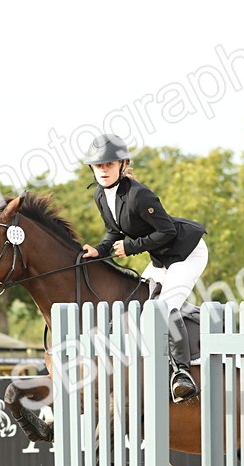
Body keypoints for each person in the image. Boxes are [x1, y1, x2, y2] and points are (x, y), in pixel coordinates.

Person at [80, 133, 208, 403]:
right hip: (162, 259)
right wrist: (99, 250)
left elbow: (167, 231)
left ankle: (181, 373)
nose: (103, 170)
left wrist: (131, 247)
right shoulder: (100, 195)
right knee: (137, 299)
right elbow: (114, 232)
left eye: (109, 164)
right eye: (98, 165)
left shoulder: (139, 194)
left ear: (123, 164)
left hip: (187, 252)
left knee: (164, 308)